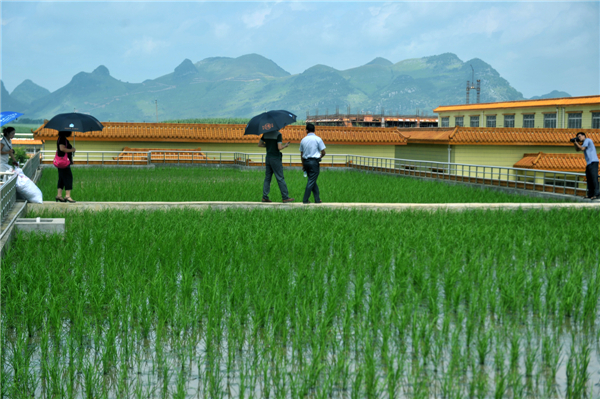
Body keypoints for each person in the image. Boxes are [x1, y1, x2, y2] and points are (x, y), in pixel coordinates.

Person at [258, 130, 294, 203]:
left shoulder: (265, 134)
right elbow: (279, 147)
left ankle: (265, 197)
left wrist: (268, 145)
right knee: (280, 178)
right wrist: (285, 146)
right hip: (275, 158)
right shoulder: (278, 134)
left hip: (268, 158)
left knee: (267, 178)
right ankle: (285, 197)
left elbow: (260, 144)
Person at [300, 123, 326, 204]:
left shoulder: (303, 140)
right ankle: (305, 200)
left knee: (312, 180)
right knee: (311, 181)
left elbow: (301, 154)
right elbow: (323, 152)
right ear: (314, 130)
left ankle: (317, 199)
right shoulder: (318, 139)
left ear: (306, 130)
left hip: (306, 162)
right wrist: (320, 157)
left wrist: (303, 164)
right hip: (314, 162)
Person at [573, 131, 599, 200]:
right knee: (589, 179)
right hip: (589, 163)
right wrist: (575, 143)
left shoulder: (587, 140)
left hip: (593, 162)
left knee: (594, 178)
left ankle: (596, 194)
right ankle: (590, 194)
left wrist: (576, 143)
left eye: (579, 136)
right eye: (578, 137)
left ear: (584, 136)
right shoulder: (584, 143)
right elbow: (577, 150)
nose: (579, 138)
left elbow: (582, 148)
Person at [56, 131, 77, 203]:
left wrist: (71, 160)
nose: (71, 132)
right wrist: (72, 150)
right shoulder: (62, 139)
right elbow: (62, 148)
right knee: (68, 178)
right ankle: (67, 196)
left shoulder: (61, 138)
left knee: (61, 179)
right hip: (64, 163)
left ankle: (59, 195)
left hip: (62, 162)